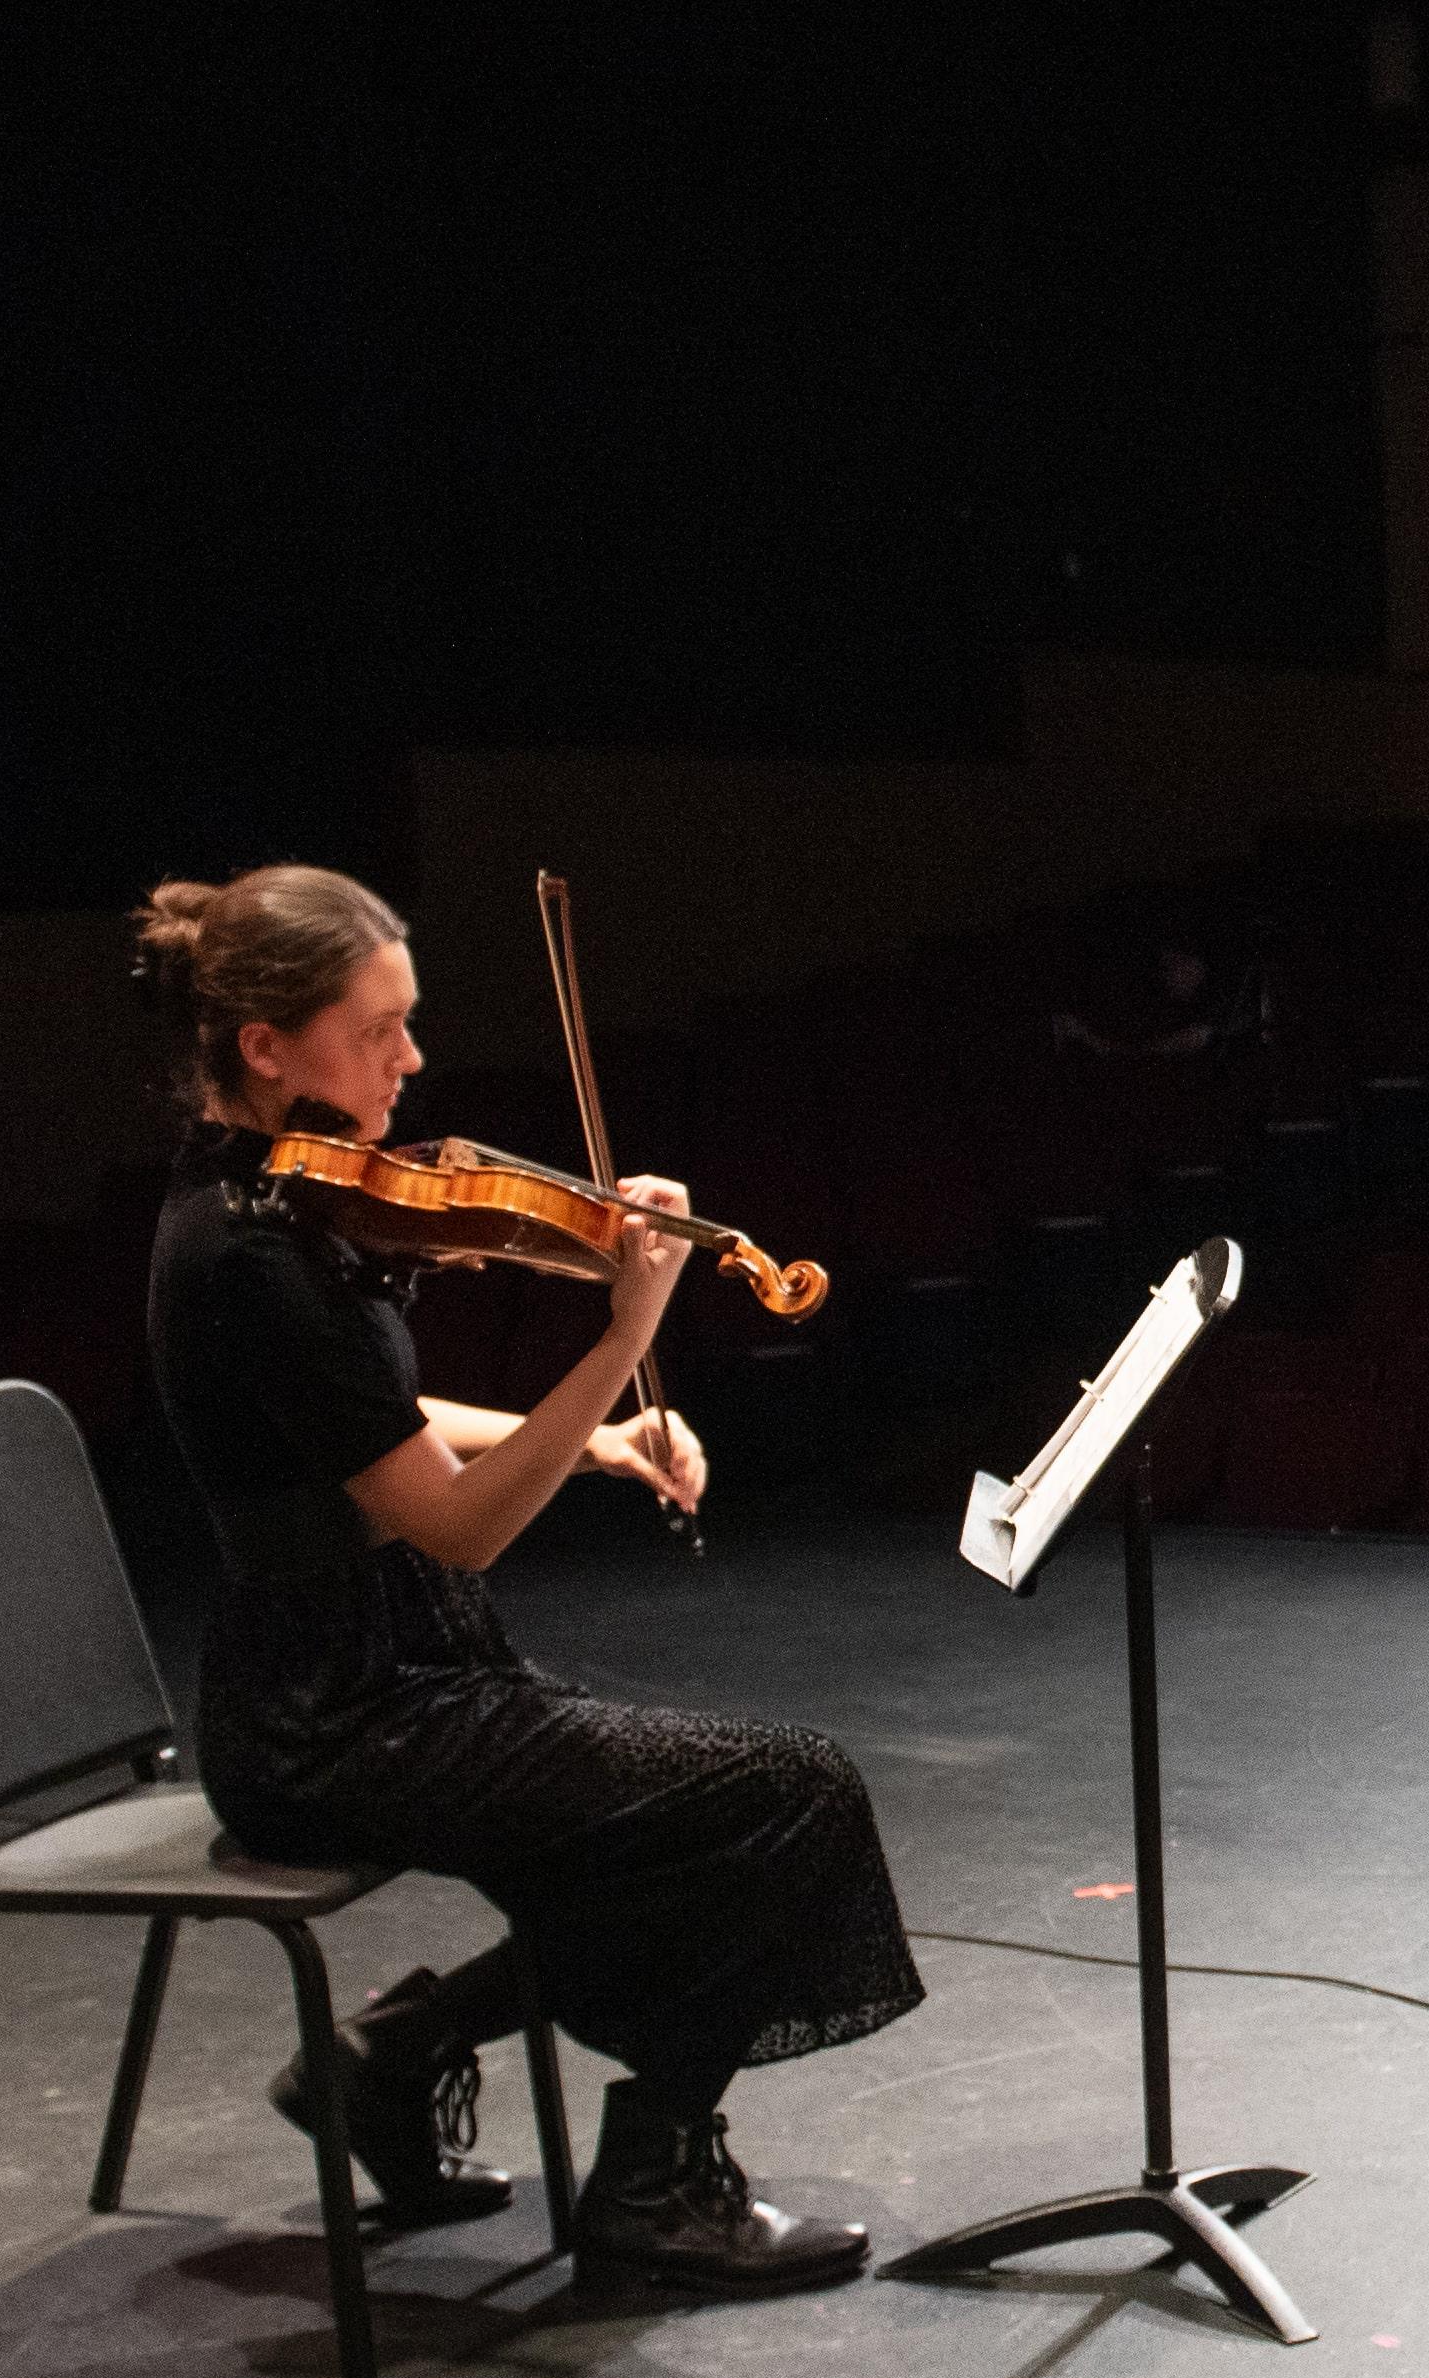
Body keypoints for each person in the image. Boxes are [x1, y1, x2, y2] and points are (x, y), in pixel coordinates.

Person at [136, 864, 922, 2295]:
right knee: (788, 1791)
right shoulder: (248, 1256)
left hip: (399, 1674)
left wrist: (609, 1442)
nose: (412, 1059)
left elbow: (384, 1427)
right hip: (339, 1719)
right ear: (264, 1046)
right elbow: (456, 1528)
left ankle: (397, 2051)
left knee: (660, 1834)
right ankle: (656, 2186)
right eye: (378, 1029)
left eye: (409, 1023)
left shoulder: (281, 1204)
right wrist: (623, 1338)